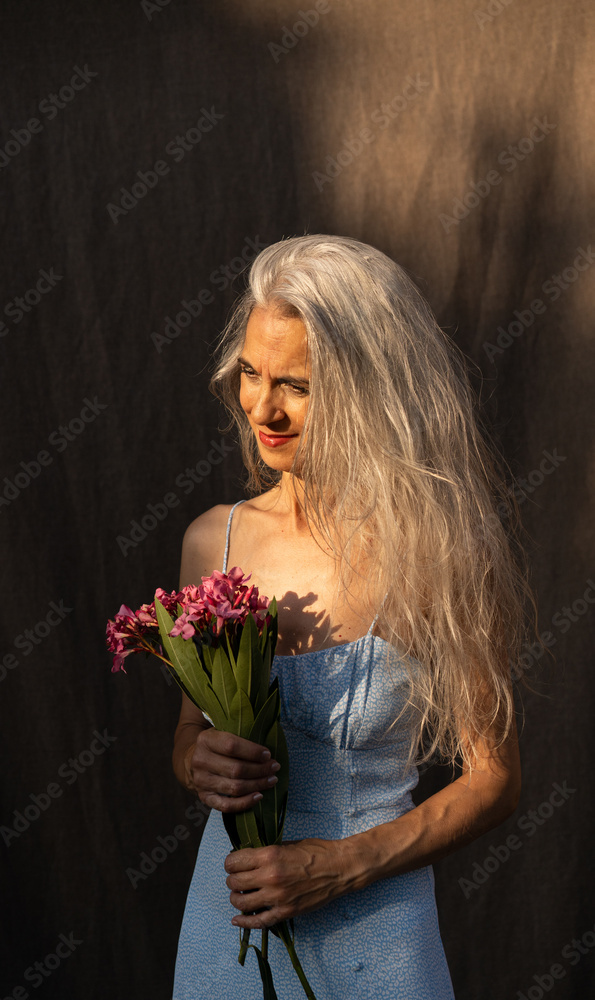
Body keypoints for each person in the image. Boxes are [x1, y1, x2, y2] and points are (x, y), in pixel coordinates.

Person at [170, 234, 531, 999]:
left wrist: (343, 864)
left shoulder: (439, 549)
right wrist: (196, 762)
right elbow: (187, 736)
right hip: (228, 913)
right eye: (249, 374)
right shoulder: (214, 539)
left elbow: (494, 780)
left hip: (377, 926)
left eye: (294, 385)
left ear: (366, 385)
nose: (261, 408)